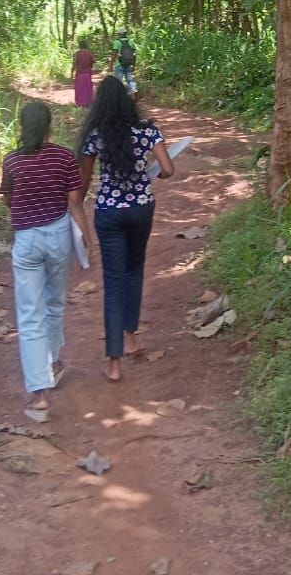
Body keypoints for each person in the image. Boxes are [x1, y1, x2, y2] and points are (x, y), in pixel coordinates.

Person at [0, 100, 92, 422]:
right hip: (58, 234)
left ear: (22, 127)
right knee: (55, 303)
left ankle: (39, 394)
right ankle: (52, 363)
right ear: (50, 126)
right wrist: (87, 240)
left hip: (27, 239)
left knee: (29, 315)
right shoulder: (64, 157)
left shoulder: (11, 161)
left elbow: (8, 199)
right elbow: (75, 202)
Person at [78, 76, 174, 381]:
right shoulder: (147, 130)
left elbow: (82, 184)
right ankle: (131, 337)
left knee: (113, 281)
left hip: (108, 212)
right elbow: (169, 169)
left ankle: (114, 362)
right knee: (134, 272)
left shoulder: (96, 135)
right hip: (140, 210)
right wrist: (150, 176)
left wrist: (73, 209)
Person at [71, 37, 95, 108]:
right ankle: (88, 102)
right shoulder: (89, 53)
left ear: (79, 46)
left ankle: (80, 103)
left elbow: (74, 63)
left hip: (79, 73)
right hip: (87, 73)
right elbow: (92, 62)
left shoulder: (77, 54)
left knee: (79, 88)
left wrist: (71, 72)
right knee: (87, 88)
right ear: (86, 46)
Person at [111, 28, 137, 93]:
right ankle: (133, 90)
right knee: (130, 80)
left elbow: (114, 54)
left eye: (118, 34)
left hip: (119, 64)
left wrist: (110, 64)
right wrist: (134, 65)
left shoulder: (116, 42)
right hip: (128, 64)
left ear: (120, 34)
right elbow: (134, 55)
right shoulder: (131, 42)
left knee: (118, 81)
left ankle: (118, 95)